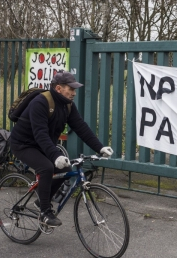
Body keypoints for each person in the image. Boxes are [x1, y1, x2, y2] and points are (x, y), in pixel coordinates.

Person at [10, 71, 113, 227]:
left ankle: (41, 201)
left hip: (43, 144)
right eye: (70, 89)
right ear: (58, 88)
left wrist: (99, 147)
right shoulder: (41, 102)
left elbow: (81, 128)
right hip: (23, 144)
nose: (73, 93)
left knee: (64, 169)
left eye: (74, 90)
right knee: (46, 167)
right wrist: (55, 155)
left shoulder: (68, 106)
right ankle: (45, 212)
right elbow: (40, 134)